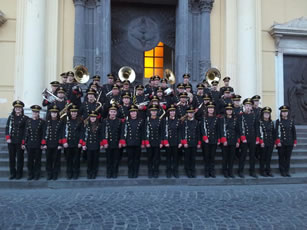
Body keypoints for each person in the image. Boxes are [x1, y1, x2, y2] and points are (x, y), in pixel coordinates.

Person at [120, 105, 145, 178]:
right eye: (131, 112)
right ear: (129, 113)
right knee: (130, 159)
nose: (133, 113)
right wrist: (123, 141)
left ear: (137, 112)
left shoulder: (141, 120)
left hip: (138, 142)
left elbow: (143, 132)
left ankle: (135, 172)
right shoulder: (126, 121)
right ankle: (130, 172)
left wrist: (143, 142)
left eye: (134, 112)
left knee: (137, 159)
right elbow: (123, 131)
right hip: (129, 142)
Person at [5, 100, 28, 179]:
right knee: (12, 158)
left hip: (19, 141)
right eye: (16, 107)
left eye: (19, 107)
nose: (18, 109)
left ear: (22, 109)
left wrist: (23, 142)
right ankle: (12, 173)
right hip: (11, 141)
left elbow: (26, 131)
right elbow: (7, 127)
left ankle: (19, 173)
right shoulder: (11, 117)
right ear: (14, 108)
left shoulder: (25, 118)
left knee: (20, 158)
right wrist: (8, 138)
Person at [22, 105, 45, 180]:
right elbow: (25, 132)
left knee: (38, 160)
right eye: (34, 112)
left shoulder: (42, 122)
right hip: (30, 143)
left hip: (38, 144)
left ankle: (37, 174)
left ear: (38, 113)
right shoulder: (28, 121)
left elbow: (43, 133)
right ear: (32, 112)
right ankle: (30, 174)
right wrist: (23, 143)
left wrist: (43, 143)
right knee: (30, 160)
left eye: (36, 112)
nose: (35, 113)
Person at [238, 98, 260, 178]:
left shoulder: (254, 116)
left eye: (249, 105)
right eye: (246, 105)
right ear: (244, 106)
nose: (248, 107)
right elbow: (239, 127)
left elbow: (257, 127)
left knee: (252, 155)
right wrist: (242, 136)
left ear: (251, 107)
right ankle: (240, 171)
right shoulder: (241, 115)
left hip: (253, 138)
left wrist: (258, 137)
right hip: (244, 138)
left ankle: (252, 171)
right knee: (243, 155)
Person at [42, 105, 64, 180]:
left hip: (57, 144)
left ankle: (55, 174)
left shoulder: (60, 122)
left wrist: (60, 144)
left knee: (56, 160)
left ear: (57, 114)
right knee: (49, 159)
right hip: (48, 144)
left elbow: (62, 133)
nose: (54, 114)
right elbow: (44, 133)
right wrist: (44, 143)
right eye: (52, 113)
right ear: (50, 113)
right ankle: (49, 173)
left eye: (55, 113)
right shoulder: (47, 122)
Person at [62, 105, 84, 179]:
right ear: (70, 112)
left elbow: (82, 132)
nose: (73, 113)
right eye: (72, 112)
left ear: (77, 113)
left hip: (77, 143)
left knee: (76, 159)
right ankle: (69, 173)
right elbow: (63, 132)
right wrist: (64, 142)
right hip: (68, 143)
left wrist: (80, 142)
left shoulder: (80, 121)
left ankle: (76, 173)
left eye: (75, 112)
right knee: (69, 159)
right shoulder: (66, 120)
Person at [101, 104, 123, 178]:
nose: (113, 113)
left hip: (117, 143)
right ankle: (109, 172)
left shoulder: (119, 121)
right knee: (109, 159)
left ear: (116, 113)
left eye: (114, 112)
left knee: (116, 159)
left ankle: (115, 172)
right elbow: (103, 132)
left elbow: (122, 132)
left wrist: (121, 142)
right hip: (108, 143)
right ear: (109, 112)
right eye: (111, 111)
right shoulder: (105, 121)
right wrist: (105, 142)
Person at [219, 103, 241, 178]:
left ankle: (230, 171)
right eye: (228, 110)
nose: (229, 111)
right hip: (225, 140)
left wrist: (238, 141)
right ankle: (225, 171)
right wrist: (223, 140)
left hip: (233, 140)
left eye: (230, 110)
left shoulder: (235, 119)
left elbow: (238, 131)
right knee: (225, 157)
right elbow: (221, 130)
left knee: (231, 157)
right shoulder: (222, 119)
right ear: (226, 111)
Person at [275, 105, 297, 177]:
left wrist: (294, 141)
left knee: (288, 157)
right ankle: (282, 171)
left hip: (289, 142)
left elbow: (293, 132)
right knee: (281, 157)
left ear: (288, 113)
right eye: (283, 112)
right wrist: (278, 141)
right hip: (281, 143)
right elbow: (276, 132)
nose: (284, 113)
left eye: (286, 112)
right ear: (281, 113)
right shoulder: (278, 121)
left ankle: (287, 171)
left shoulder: (291, 121)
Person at [200, 102, 220, 178]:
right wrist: (205, 137)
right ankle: (206, 171)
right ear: (207, 109)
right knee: (206, 156)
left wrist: (218, 139)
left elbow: (218, 129)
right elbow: (202, 128)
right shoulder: (203, 118)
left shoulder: (216, 118)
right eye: (209, 108)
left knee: (212, 156)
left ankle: (212, 171)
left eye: (212, 108)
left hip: (214, 139)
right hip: (206, 140)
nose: (211, 109)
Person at [144, 104, 164, 178]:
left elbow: (162, 131)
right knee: (150, 158)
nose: (154, 112)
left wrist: (161, 142)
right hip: (149, 142)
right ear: (150, 111)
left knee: (156, 158)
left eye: (155, 111)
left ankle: (156, 171)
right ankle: (150, 171)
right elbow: (145, 131)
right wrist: (146, 141)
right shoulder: (147, 120)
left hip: (157, 142)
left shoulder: (160, 120)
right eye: (152, 111)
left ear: (157, 112)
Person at [181, 106, 201, 178]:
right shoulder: (184, 122)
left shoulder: (196, 122)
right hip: (187, 143)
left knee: (193, 158)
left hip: (194, 142)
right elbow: (182, 133)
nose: (191, 114)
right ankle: (187, 170)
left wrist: (199, 142)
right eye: (189, 113)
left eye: (192, 113)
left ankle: (193, 170)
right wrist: (184, 142)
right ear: (187, 113)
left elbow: (198, 133)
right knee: (187, 158)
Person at [82, 111, 102, 179]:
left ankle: (94, 173)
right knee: (89, 160)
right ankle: (89, 173)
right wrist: (84, 144)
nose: (93, 118)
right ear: (89, 117)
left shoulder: (99, 125)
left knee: (95, 160)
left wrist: (101, 144)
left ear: (96, 118)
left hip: (96, 145)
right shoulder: (86, 125)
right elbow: (84, 135)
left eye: (94, 117)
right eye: (91, 117)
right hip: (88, 145)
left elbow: (101, 135)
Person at [163, 104, 182, 178]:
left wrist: (180, 141)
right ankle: (168, 171)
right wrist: (165, 141)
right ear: (168, 112)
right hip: (168, 142)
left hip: (176, 142)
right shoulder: (165, 120)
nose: (172, 112)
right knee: (168, 158)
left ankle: (175, 171)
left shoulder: (178, 120)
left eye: (173, 111)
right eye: (171, 111)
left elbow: (180, 132)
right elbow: (163, 131)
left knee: (175, 158)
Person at [259, 107, 275, 177]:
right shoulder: (260, 122)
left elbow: (274, 133)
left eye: (268, 113)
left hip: (270, 142)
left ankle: (268, 170)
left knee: (269, 157)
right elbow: (259, 133)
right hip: (263, 142)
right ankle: (262, 171)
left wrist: (274, 142)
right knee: (263, 157)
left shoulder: (271, 123)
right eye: (265, 113)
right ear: (263, 114)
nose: (267, 114)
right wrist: (261, 141)